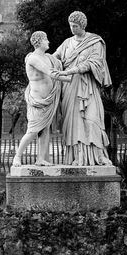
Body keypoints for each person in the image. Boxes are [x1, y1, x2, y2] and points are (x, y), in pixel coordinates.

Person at [51, 11, 114, 166]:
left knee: (93, 120)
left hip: (88, 86)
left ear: (83, 25)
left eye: (75, 26)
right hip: (69, 88)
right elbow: (54, 58)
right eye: (71, 25)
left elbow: (95, 62)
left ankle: (98, 156)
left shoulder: (95, 42)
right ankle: (78, 157)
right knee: (74, 123)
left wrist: (71, 70)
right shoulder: (67, 43)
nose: (72, 28)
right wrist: (36, 57)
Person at [12, 31, 62, 167]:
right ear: (39, 41)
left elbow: (59, 58)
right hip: (38, 101)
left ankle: (40, 159)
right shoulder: (33, 58)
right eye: (46, 39)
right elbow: (50, 72)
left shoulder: (48, 57)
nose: (48, 42)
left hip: (48, 101)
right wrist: (71, 75)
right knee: (33, 131)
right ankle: (17, 156)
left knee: (45, 130)